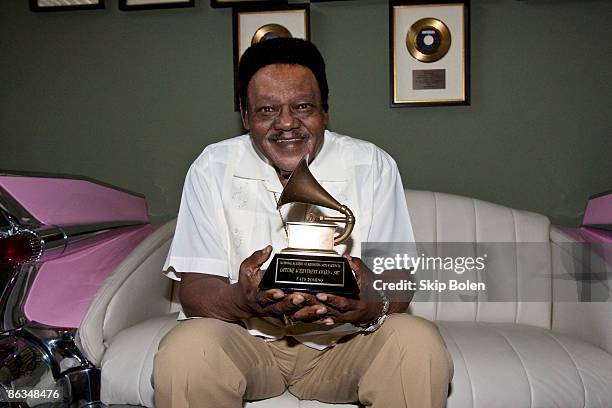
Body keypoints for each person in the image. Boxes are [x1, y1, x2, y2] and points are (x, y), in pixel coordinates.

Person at [154, 38, 453, 408]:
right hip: (248, 343)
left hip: (343, 345)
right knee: (187, 349)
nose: (286, 123)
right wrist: (244, 299)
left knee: (417, 340)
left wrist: (368, 302)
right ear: (245, 117)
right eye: (266, 110)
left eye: (303, 107)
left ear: (324, 111)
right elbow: (195, 287)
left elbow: (398, 282)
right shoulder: (211, 166)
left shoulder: (371, 164)